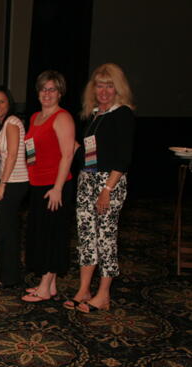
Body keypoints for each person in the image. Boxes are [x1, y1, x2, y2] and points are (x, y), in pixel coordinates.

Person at [65, 63, 136, 313]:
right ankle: (84, 289)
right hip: (87, 181)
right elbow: (92, 152)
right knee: (86, 237)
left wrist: (107, 189)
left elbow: (123, 158)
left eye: (109, 85)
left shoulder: (122, 113)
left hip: (109, 183)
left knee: (105, 239)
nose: (104, 90)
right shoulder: (96, 114)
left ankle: (103, 294)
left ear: (118, 88)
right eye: (99, 85)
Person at [22, 70, 75, 303]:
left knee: (52, 236)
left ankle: (44, 286)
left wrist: (57, 188)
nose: (47, 93)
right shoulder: (35, 117)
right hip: (37, 184)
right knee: (41, 234)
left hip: (55, 187)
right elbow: (32, 152)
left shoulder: (63, 117)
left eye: (52, 89)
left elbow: (67, 155)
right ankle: (49, 285)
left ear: (60, 93)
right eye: (43, 88)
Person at [0, 87, 29, 288]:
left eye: (2, 101)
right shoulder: (2, 124)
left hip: (13, 182)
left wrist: (1, 185)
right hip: (10, 180)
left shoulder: (12, 122)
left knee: (6, 231)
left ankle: (9, 278)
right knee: (8, 230)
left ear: (9, 103)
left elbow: (12, 155)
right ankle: (10, 275)